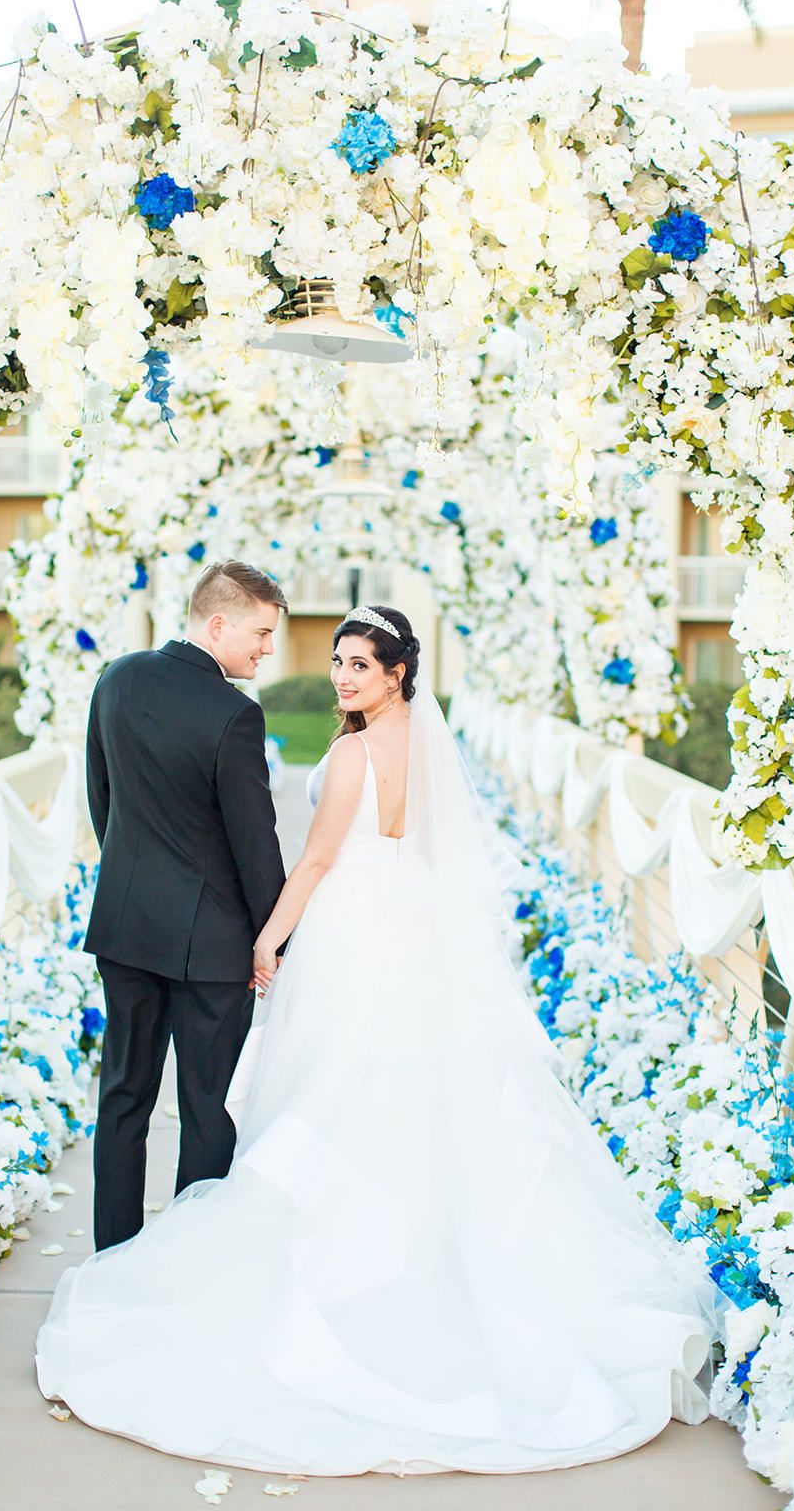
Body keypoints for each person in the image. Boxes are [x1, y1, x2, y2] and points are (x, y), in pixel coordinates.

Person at [38, 603, 724, 1475]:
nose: (341, 677)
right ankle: (418, 1260)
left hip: (351, 935)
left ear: (397, 672)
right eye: (337, 662)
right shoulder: (430, 752)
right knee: (404, 1097)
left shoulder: (358, 752)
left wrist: (266, 938)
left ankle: (344, 1271)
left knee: (336, 1091)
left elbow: (317, 861)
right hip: (409, 932)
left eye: (360, 665)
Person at [82, 560, 287, 1252]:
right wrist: (277, 938)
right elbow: (254, 844)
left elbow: (101, 799)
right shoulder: (235, 714)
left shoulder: (115, 678)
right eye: (260, 633)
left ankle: (112, 1256)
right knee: (206, 1111)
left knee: (122, 1099)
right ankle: (186, 1264)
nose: (267, 648)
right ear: (218, 622)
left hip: (125, 928)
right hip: (212, 948)